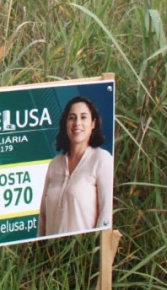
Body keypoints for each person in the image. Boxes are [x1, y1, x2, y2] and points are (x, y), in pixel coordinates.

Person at [38, 96, 113, 237]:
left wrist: (93, 253)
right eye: (72, 118)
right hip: (50, 254)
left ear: (93, 123)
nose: (77, 123)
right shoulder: (54, 164)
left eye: (83, 117)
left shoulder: (101, 159)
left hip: (84, 255)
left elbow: (106, 213)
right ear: (66, 124)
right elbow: (43, 217)